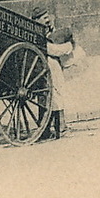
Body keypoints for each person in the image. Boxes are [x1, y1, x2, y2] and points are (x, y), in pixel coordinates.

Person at [36, 9, 77, 140]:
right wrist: (69, 46)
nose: (47, 21)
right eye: (44, 18)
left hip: (41, 70)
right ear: (36, 21)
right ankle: (61, 128)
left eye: (47, 18)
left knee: (45, 99)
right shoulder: (41, 37)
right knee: (57, 97)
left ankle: (45, 130)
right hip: (50, 68)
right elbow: (53, 50)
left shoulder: (43, 33)